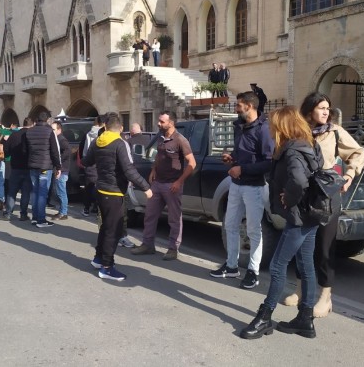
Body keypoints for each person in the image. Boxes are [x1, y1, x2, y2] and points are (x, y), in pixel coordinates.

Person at [239, 106, 323, 340]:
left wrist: (290, 197)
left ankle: (264, 318)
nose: (270, 128)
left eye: (273, 124)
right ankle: (305, 319)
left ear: (283, 126)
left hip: (298, 217)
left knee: (277, 266)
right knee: (305, 265)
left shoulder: (292, 150)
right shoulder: (309, 144)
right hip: (311, 214)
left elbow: (299, 181)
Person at [282, 92, 364, 318]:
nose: (326, 112)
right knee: (301, 245)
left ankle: (325, 297)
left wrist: (349, 175)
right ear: (310, 110)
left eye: (328, 108)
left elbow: (358, 152)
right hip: (304, 193)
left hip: (327, 194)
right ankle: (300, 289)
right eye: (321, 108)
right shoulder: (299, 131)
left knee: (324, 247)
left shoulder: (334, 132)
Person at [209, 91, 274, 289]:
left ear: (249, 106)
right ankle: (231, 266)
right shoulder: (239, 125)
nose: (236, 109)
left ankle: (253, 272)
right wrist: (232, 159)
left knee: (254, 230)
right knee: (230, 225)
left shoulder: (263, 129)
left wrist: (242, 169)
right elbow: (242, 154)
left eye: (238, 105)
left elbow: (269, 162)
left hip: (254, 186)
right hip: (236, 184)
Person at [85, 114, 153, 281]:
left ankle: (99, 258)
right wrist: (146, 187)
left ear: (105, 127)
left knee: (105, 227)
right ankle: (107, 267)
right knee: (113, 231)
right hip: (114, 192)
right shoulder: (120, 143)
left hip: (101, 190)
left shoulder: (97, 141)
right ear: (121, 128)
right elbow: (129, 170)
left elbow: (87, 161)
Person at [131, 111, 196, 261]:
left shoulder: (180, 140)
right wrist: (154, 169)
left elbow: (192, 163)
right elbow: (159, 156)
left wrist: (179, 182)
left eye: (162, 121)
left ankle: (173, 249)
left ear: (171, 123)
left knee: (174, 219)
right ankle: (147, 245)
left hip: (172, 185)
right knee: (150, 215)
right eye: (159, 121)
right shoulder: (160, 137)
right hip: (157, 184)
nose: (158, 123)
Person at [24, 111, 62, 227]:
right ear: (47, 120)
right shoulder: (50, 131)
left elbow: (25, 150)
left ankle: (35, 217)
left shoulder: (29, 131)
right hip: (45, 166)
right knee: (42, 193)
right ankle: (41, 219)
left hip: (33, 165)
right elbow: (55, 151)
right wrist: (58, 166)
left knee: (35, 192)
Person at [0, 118, 34, 221]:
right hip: (28, 167)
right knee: (25, 192)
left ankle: (8, 213)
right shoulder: (31, 135)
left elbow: (6, 149)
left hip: (15, 166)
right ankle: (23, 214)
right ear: (32, 125)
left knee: (12, 191)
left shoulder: (14, 135)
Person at [80, 116, 104, 216]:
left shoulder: (89, 134)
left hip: (90, 162)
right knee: (100, 186)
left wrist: (84, 161)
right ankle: (97, 207)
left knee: (89, 186)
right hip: (102, 162)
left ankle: (86, 208)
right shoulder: (106, 133)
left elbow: (83, 149)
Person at [51, 120, 70, 221]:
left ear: (59, 130)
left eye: (53, 129)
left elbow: (66, 152)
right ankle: (62, 211)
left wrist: (59, 163)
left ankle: (63, 213)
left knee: (61, 192)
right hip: (59, 169)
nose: (52, 131)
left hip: (62, 170)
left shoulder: (62, 140)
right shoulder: (56, 139)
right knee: (59, 191)